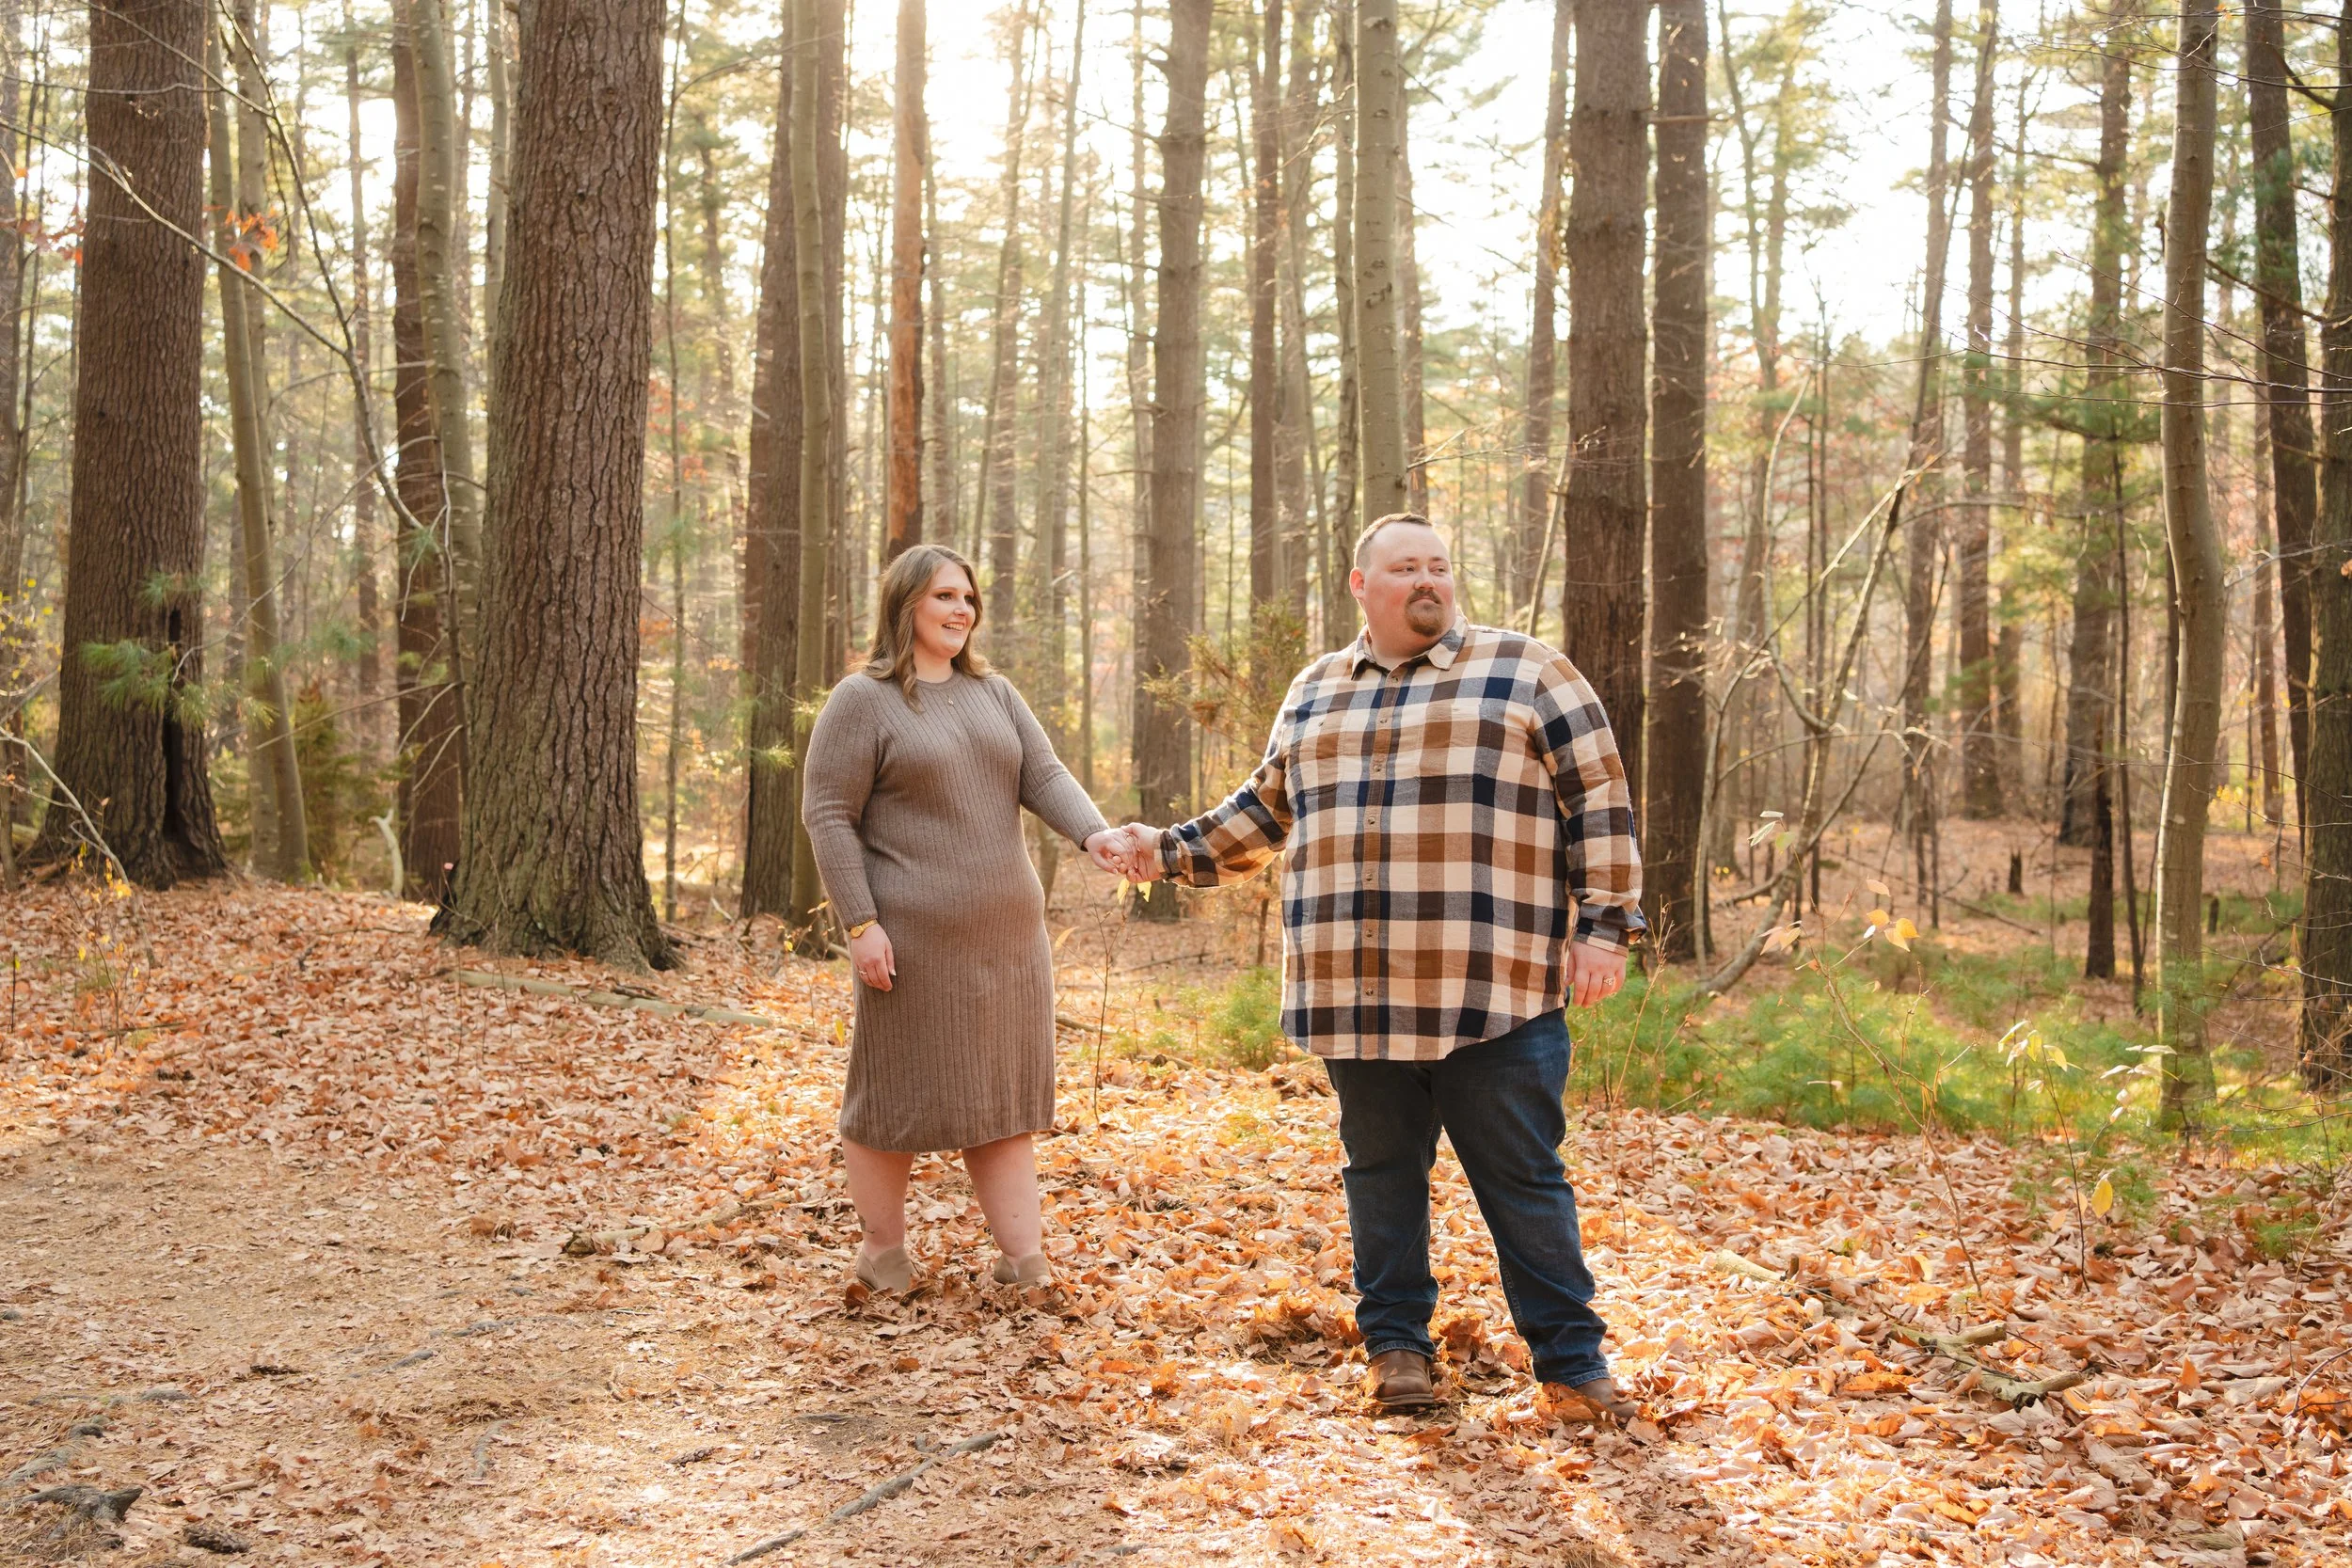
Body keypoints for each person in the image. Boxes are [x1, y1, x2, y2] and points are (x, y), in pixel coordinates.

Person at [1105, 513, 1645, 1418]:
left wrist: (1604, 925)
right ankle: (1398, 1352)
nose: (1429, 579)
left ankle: (1573, 1366)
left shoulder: (1527, 670)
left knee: (1523, 1179)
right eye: (1406, 568)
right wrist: (1162, 848)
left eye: (1439, 564)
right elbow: (1264, 812)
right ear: (1363, 586)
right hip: (1357, 994)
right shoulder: (1316, 688)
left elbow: (1600, 797)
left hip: (1492, 988)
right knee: (1380, 1173)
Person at [801, 544, 1127, 1294]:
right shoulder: (863, 699)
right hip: (911, 943)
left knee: (1001, 1099)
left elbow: (1041, 773)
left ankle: (1023, 1261)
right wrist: (860, 923)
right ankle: (883, 1255)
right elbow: (827, 813)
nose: (961, 610)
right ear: (906, 603)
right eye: (945, 595)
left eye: (969, 598)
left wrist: (1094, 832)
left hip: (1009, 942)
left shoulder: (995, 693)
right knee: (892, 1096)